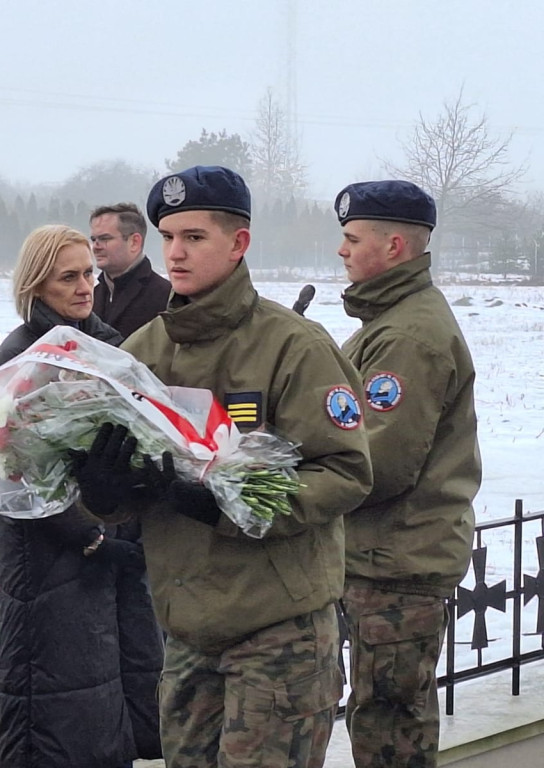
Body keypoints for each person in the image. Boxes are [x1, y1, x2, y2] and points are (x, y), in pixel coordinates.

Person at [71, 166, 373, 768]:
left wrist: (227, 501)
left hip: (276, 630)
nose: (176, 253)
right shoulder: (142, 354)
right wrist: (104, 494)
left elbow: (344, 473)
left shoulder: (294, 347)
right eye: (168, 237)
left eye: (195, 237)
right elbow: (125, 480)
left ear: (239, 243)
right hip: (186, 630)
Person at [0, 224, 163, 768]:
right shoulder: (22, 357)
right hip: (49, 561)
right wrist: (88, 536)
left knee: (112, 712)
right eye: (68, 277)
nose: (85, 285)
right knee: (61, 719)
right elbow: (11, 468)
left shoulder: (107, 346)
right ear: (37, 285)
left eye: (89, 272)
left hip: (113, 549)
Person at [333, 180, 481, 768]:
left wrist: (301, 481)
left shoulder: (406, 335)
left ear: (393, 246)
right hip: (391, 555)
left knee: (388, 724)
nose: (341, 251)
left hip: (396, 563)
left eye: (351, 238)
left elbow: (379, 461)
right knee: (390, 714)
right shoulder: (394, 318)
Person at [89, 202, 170, 338]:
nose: (96, 247)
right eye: (93, 239)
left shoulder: (166, 298)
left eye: (104, 239)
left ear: (134, 242)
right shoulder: (91, 296)